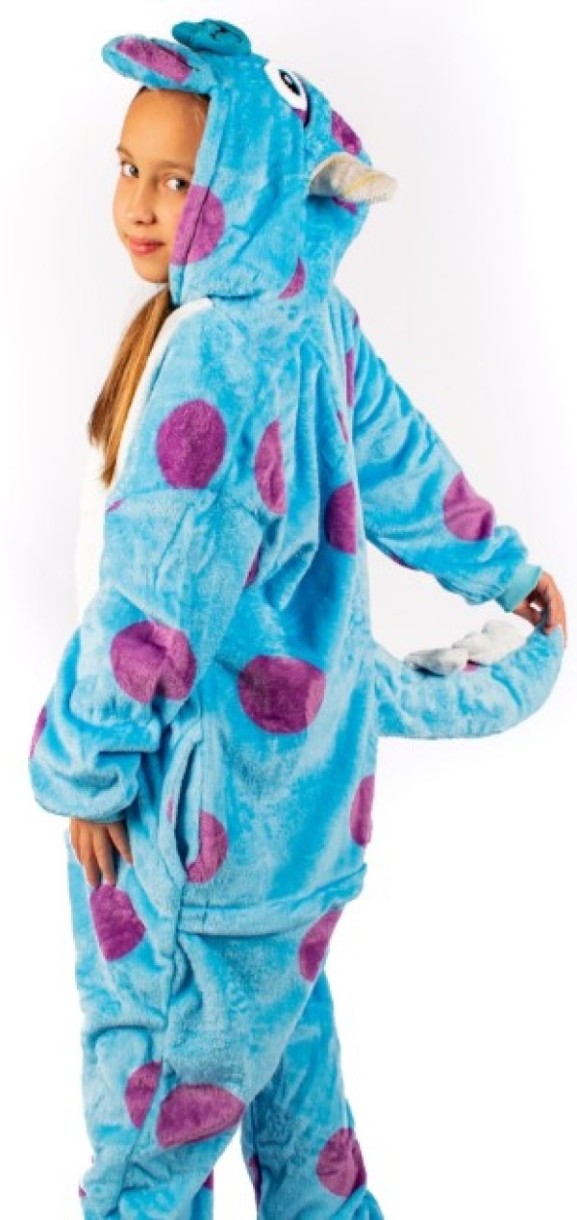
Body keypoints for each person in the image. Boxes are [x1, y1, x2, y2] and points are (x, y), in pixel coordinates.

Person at [27, 17, 567, 1220]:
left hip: (190, 837)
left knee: (147, 1157)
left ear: (253, 187)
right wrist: (502, 567)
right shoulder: (301, 315)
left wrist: (85, 770)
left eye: (182, 180)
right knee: (295, 1113)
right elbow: (402, 457)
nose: (142, 204)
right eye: (130, 168)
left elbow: (152, 607)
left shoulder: (216, 353)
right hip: (296, 834)